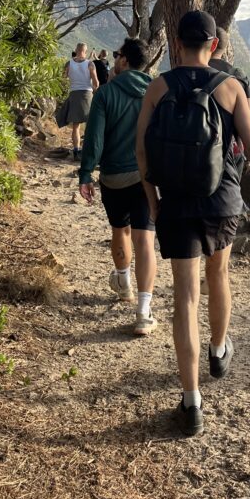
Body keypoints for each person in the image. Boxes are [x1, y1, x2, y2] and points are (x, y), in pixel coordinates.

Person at [136, 10, 250, 436]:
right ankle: (219, 349)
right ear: (214, 47)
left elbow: (142, 153)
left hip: (176, 205)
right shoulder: (231, 88)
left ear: (176, 44)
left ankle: (191, 401)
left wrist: (152, 202)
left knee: (185, 295)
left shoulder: (158, 87)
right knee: (218, 274)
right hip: (222, 201)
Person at [79, 38, 157, 336]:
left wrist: (86, 174)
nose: (113, 60)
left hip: (113, 177)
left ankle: (124, 285)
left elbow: (94, 139)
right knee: (145, 240)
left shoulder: (106, 94)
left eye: (116, 55)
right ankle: (143, 311)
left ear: (125, 61)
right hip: (146, 178)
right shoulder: (156, 91)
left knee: (120, 230)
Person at [58, 43, 99, 158]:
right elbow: (96, 83)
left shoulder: (68, 64)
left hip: (74, 93)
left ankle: (76, 150)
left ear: (76, 50)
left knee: (76, 126)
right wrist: (96, 92)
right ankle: (89, 150)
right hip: (87, 94)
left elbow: (63, 78)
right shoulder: (90, 64)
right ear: (85, 51)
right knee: (90, 124)